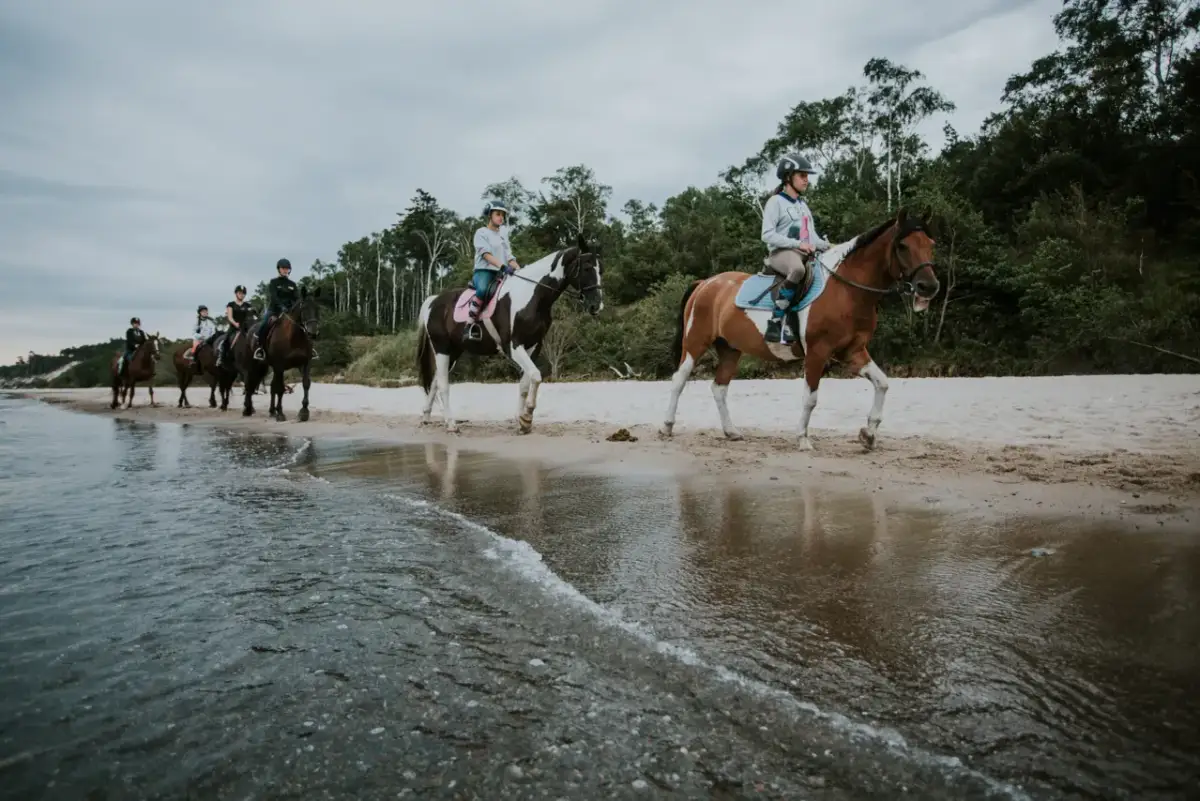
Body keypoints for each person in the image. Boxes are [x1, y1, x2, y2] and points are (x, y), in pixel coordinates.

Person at [760, 153, 830, 344]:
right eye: (802, 175)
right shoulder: (775, 202)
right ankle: (775, 322)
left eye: (807, 176)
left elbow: (812, 237)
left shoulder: (803, 205)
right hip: (780, 253)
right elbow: (767, 235)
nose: (806, 180)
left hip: (804, 253)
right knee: (798, 269)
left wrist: (830, 247)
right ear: (788, 177)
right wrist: (798, 244)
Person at [467, 200, 520, 340]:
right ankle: (470, 325)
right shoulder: (481, 232)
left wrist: (519, 269)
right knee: (483, 290)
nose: (501, 217)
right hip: (484, 271)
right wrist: (502, 266)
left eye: (503, 215)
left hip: (501, 273)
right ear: (489, 215)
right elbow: (486, 255)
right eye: (498, 214)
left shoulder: (503, 234)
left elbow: (509, 257)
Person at [253, 258, 298, 361]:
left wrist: (292, 307)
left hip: (289, 311)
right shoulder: (273, 282)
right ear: (279, 269)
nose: (285, 270)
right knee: (264, 324)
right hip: (274, 310)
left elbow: (296, 298)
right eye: (283, 268)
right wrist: (281, 306)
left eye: (287, 269)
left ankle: (308, 348)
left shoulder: (292, 284)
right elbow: (274, 297)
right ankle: (260, 348)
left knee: (303, 323)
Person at [217, 285, 253, 368]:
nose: (242, 295)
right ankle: (221, 358)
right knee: (226, 340)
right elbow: (230, 317)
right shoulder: (231, 305)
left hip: (245, 327)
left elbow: (250, 316)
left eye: (243, 293)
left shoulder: (248, 305)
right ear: (236, 294)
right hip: (234, 326)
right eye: (240, 293)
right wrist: (235, 323)